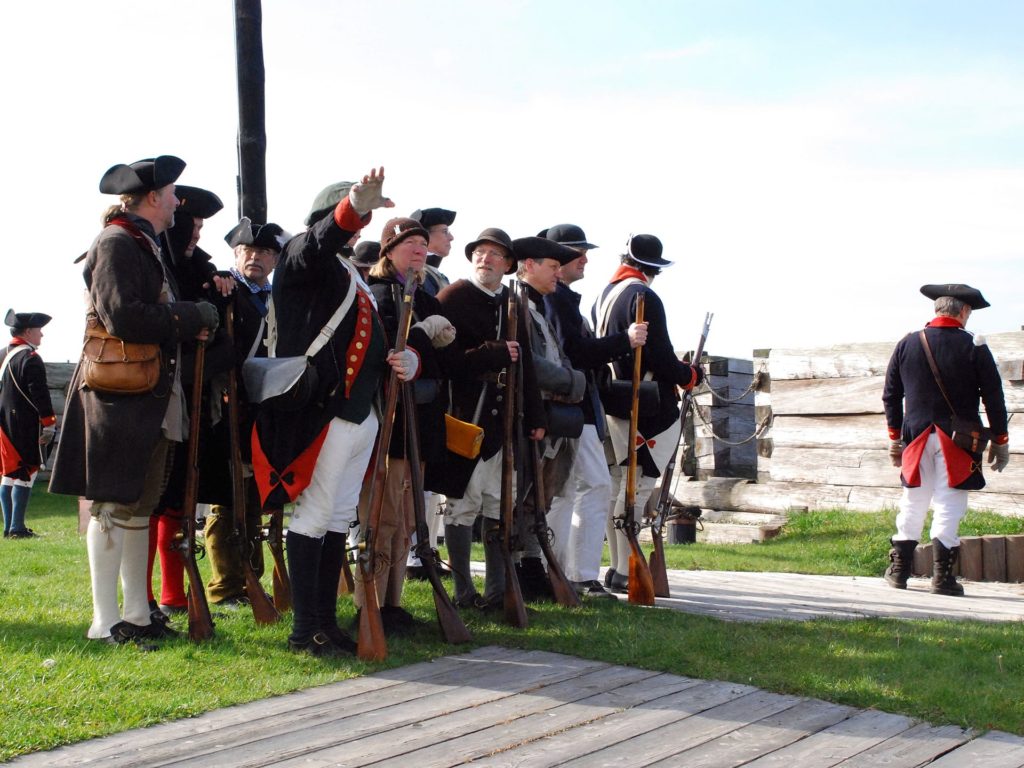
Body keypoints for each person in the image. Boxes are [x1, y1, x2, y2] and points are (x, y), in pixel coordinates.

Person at [49, 155, 220, 647]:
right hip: (118, 394)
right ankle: (105, 622)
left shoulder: (142, 242)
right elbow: (124, 316)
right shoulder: (117, 243)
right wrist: (189, 316)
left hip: (145, 390)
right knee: (111, 505)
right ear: (152, 198)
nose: (176, 201)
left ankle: (138, 615)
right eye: (171, 193)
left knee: (138, 506)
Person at [250, 168, 419, 657]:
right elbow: (319, 241)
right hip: (322, 410)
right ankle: (306, 629)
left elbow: (380, 337)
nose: (360, 229)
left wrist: (408, 359)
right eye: (351, 220)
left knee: (338, 517)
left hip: (357, 410)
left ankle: (326, 621)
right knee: (316, 514)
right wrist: (354, 207)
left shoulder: (350, 275)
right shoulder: (304, 257)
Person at [434, 229, 546, 610]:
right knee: (462, 504)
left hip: (504, 422)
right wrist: (493, 352)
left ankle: (499, 592)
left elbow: (525, 363)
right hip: (467, 416)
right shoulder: (454, 298)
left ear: (508, 264)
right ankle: (464, 592)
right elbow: (444, 360)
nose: (485, 259)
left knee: (500, 504)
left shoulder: (513, 303)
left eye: (494, 255)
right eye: (479, 253)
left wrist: (536, 415)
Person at [355, 217, 456, 633]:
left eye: (420, 243)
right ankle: (371, 603)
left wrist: (441, 337)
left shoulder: (425, 295)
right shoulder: (377, 294)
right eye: (407, 244)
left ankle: (392, 602)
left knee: (406, 519)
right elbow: (381, 351)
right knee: (383, 518)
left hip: (418, 419)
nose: (418, 249)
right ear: (388, 251)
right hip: (386, 422)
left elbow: (439, 360)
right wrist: (417, 334)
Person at [882, 284, 1009, 596]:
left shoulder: (907, 343)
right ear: (963, 312)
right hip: (959, 440)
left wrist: (895, 438)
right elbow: (994, 397)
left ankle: (899, 572)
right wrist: (1001, 441)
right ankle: (942, 579)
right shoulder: (975, 346)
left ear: (937, 310)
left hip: (916, 437)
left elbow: (891, 396)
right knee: (950, 503)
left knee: (913, 501)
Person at [541, 224, 646, 599]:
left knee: (570, 490)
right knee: (591, 486)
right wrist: (624, 340)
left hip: (581, 405)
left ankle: (561, 570)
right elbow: (574, 353)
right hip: (571, 406)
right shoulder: (555, 300)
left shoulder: (562, 298)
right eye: (577, 253)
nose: (584, 259)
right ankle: (577, 574)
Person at [593, 234, 702, 594]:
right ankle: (626, 569)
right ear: (654, 268)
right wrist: (689, 375)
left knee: (615, 487)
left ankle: (617, 567)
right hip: (646, 404)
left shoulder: (604, 296)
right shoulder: (644, 296)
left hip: (614, 400)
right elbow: (660, 357)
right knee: (635, 490)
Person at [149, 184, 228, 618]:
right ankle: (152, 599)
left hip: (195, 393)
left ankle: (174, 595)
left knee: (178, 498)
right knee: (154, 500)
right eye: (192, 225)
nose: (197, 234)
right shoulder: (159, 264)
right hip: (160, 389)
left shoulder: (201, 268)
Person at [199, 218, 287, 606]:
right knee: (227, 497)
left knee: (254, 498)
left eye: (264, 251)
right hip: (229, 405)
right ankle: (226, 586)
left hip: (265, 406)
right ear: (235, 253)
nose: (255, 257)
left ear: (274, 258)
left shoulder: (278, 296)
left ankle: (252, 579)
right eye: (248, 250)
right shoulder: (224, 290)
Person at [512, 236, 587, 600]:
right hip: (531, 413)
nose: (559, 273)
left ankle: (530, 564)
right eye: (552, 266)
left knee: (539, 496)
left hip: (551, 414)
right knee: (525, 493)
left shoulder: (537, 305)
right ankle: (518, 568)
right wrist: (574, 381)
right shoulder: (517, 304)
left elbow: (556, 355)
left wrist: (571, 378)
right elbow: (531, 363)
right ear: (529, 265)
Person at [0, 310, 56, 539]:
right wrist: (49, 423)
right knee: (25, 472)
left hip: (3, 425)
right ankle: (17, 528)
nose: (41, 334)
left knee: (8, 473)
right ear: (28, 332)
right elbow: (39, 395)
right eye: (38, 330)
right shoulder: (30, 358)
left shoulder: (3, 354)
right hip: (25, 426)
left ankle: (10, 527)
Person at [410, 207, 456, 297]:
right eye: (445, 231)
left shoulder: (435, 274)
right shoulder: (418, 275)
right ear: (425, 236)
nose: (451, 237)